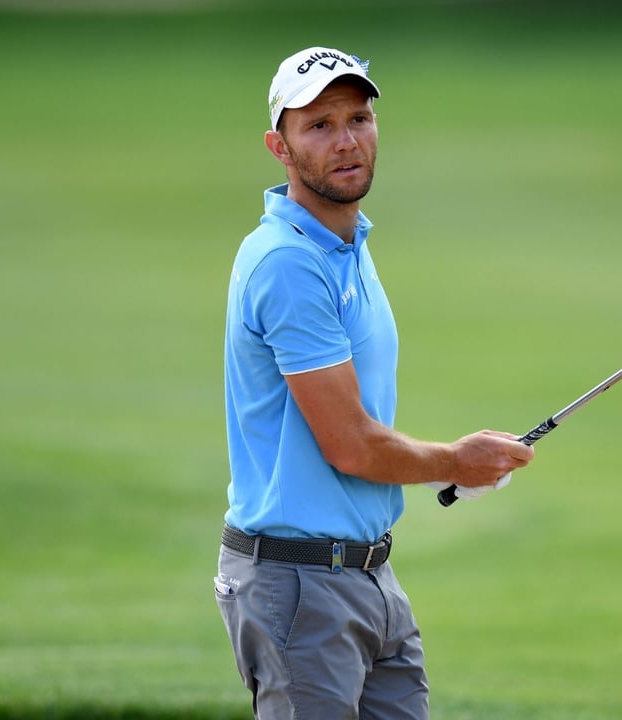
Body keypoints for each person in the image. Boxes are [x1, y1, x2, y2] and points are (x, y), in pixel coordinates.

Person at [213, 46, 535, 720]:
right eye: (319, 125)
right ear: (280, 146)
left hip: (366, 576)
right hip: (300, 586)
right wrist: (456, 461)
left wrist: (457, 465)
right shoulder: (289, 264)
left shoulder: (347, 244)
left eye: (358, 118)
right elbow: (352, 447)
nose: (346, 140)